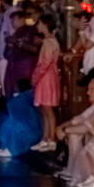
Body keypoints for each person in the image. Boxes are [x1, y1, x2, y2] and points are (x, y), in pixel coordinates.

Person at [31, 15, 63, 152]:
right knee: (44, 109)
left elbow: (45, 63)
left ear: (44, 24)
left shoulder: (48, 42)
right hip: (47, 76)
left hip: (46, 77)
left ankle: (51, 139)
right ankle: (45, 139)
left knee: (48, 110)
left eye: (39, 23)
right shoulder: (50, 41)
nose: (37, 26)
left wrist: (35, 76)